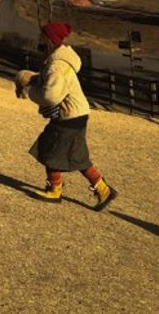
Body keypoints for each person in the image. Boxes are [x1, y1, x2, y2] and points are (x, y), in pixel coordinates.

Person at [26, 21, 116, 209]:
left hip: (69, 116)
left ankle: (55, 190)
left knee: (49, 148)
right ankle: (102, 188)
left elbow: (50, 96)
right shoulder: (58, 61)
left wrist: (30, 90)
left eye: (42, 36)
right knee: (76, 155)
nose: (39, 39)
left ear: (50, 40)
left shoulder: (58, 65)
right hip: (76, 114)